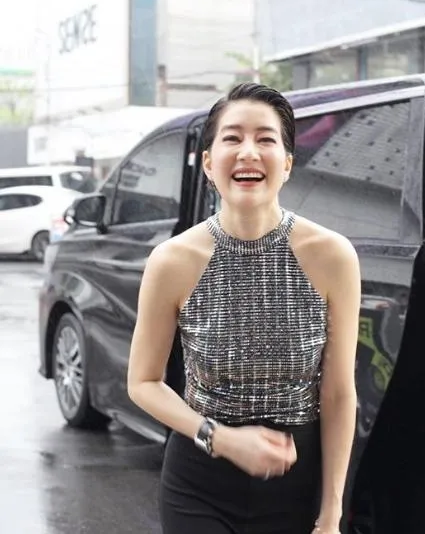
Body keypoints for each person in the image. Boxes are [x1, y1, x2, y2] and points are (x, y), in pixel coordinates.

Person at [127, 82, 360, 534]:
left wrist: (332, 513)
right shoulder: (172, 260)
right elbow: (143, 382)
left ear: (287, 164)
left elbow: (338, 393)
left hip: (298, 484)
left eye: (265, 139)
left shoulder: (333, 256)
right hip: (199, 481)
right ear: (208, 163)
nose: (248, 152)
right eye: (232, 138)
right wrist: (221, 439)